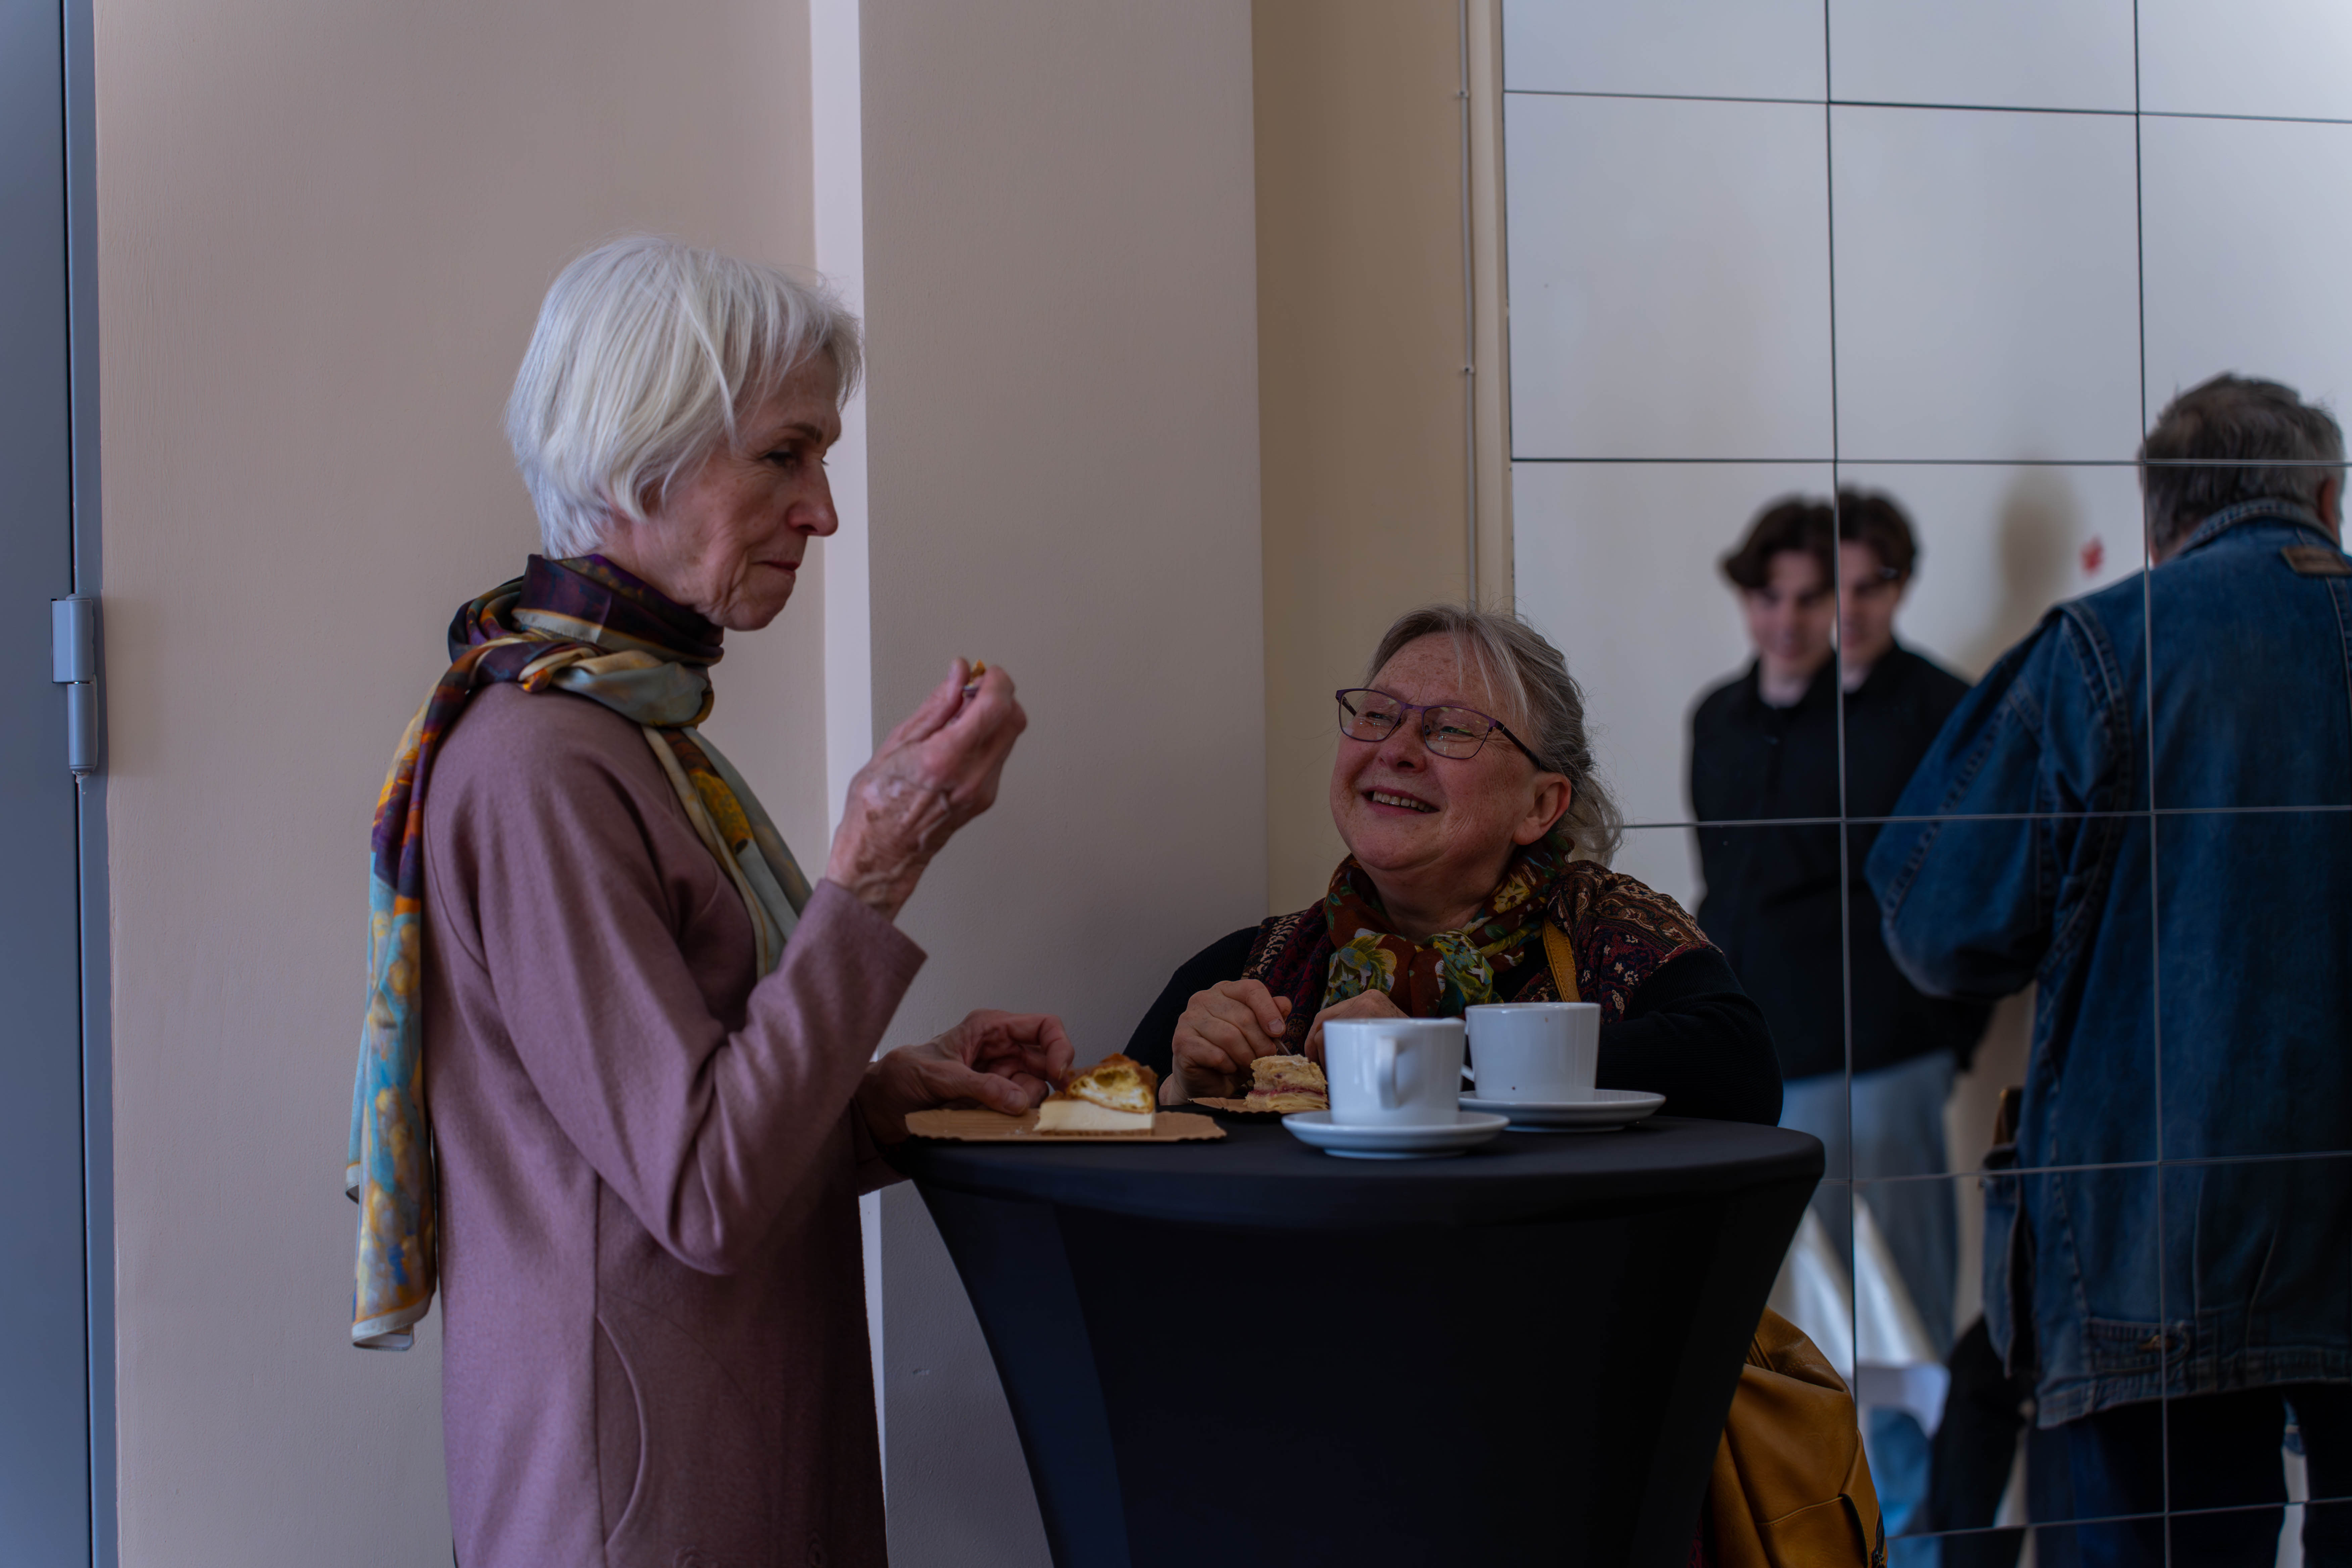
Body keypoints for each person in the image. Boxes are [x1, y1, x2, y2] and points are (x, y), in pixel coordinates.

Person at [343, 237, 1071, 1568]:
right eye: (785, 455)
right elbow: (701, 1190)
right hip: (637, 1503)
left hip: (718, 1460)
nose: (823, 511)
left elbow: (679, 1135)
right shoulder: (543, 765)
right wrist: (870, 876)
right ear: (641, 460)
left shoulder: (631, 733)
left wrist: (884, 1099)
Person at [1867, 374, 2352, 1567]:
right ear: (2326, 501)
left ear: (2157, 524)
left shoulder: (2103, 646)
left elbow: (1937, 927)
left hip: (2153, 1240)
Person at [1125, 604, 1779, 1126]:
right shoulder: (1249, 968)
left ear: (1540, 805)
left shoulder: (1607, 932)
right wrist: (1184, 1093)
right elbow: (1106, 1158)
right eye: (1377, 715)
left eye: (1452, 728)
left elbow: (1741, 1070)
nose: (1397, 750)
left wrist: (1434, 1056)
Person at [1689, 493, 1991, 1549]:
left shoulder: (1907, 713)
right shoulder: (1722, 720)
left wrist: (1938, 1038)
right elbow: (1725, 889)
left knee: (1898, 1338)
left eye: (1819, 597)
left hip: (1879, 1059)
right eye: (1773, 597)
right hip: (1760, 1071)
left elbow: (1966, 891)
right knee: (1784, 1339)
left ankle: (1914, 1544)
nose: (1800, 618)